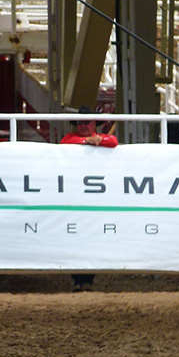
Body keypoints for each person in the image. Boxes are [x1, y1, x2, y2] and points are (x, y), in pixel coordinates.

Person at [61, 105, 118, 292]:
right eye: (80, 122)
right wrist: (87, 141)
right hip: (75, 194)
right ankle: (78, 280)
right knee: (75, 237)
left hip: (94, 197)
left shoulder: (101, 139)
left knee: (90, 236)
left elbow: (113, 141)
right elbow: (64, 144)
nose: (83, 125)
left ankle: (87, 280)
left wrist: (97, 141)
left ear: (94, 123)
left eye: (87, 122)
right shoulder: (72, 139)